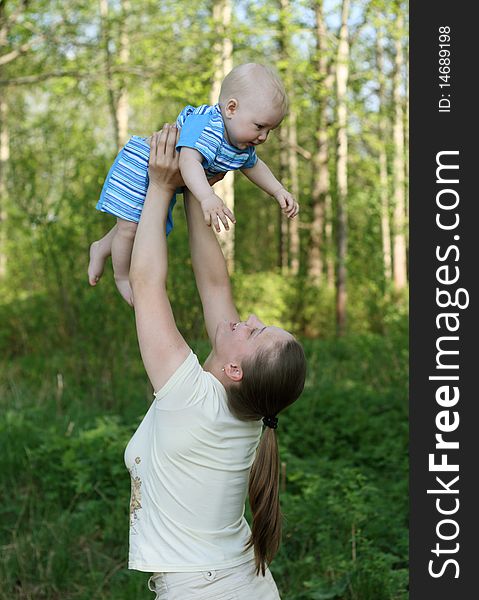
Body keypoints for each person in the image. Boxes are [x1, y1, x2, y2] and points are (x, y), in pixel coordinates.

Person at [125, 124, 307, 599]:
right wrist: (195, 192)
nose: (247, 318)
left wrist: (163, 187)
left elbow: (147, 285)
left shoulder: (193, 398)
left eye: (255, 331)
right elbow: (214, 285)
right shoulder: (243, 406)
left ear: (235, 370)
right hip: (238, 583)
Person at [88, 63, 299, 306]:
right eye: (259, 126)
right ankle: (122, 276)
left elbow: (253, 166)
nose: (263, 137)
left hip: (163, 176)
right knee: (130, 229)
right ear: (231, 108)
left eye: (269, 130)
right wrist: (207, 197)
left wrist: (278, 190)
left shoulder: (242, 144)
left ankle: (102, 247)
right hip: (140, 166)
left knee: (137, 223)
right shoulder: (208, 125)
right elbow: (188, 161)